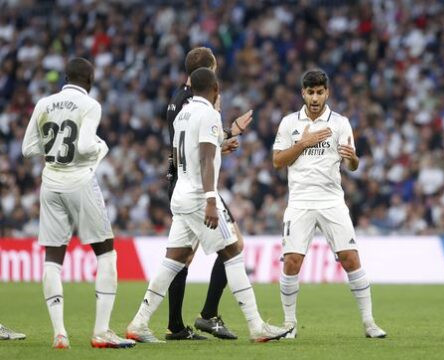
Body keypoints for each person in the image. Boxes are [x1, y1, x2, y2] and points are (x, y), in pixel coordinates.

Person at [126, 67, 292, 343]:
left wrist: (222, 141)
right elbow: (204, 158)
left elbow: (192, 153)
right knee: (234, 251)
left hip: (180, 193)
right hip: (197, 197)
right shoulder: (209, 114)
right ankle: (257, 326)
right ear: (215, 89)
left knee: (173, 260)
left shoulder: (183, 114)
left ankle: (139, 322)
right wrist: (211, 200)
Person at [21, 57, 135, 349]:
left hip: (50, 182)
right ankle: (101, 331)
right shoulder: (90, 105)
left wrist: (53, 151)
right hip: (79, 181)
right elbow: (84, 146)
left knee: (53, 259)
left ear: (66, 77)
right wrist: (101, 149)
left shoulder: (44, 103)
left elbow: (27, 148)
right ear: (90, 79)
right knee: (106, 254)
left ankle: (59, 333)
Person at [272, 69, 386, 339]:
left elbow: (352, 164)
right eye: (310, 92)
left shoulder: (340, 123)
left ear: (327, 93)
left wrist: (354, 160)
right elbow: (277, 161)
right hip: (299, 201)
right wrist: (304, 143)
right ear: (303, 93)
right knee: (291, 262)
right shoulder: (289, 123)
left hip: (332, 200)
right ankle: (289, 324)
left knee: (350, 258)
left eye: (319, 92)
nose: (314, 97)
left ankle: (369, 323)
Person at [164, 46, 251, 341]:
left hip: (180, 183)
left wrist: (223, 139)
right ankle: (209, 315)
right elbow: (201, 149)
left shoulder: (177, 101)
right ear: (208, 71)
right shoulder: (198, 102)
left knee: (181, 257)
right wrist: (228, 131)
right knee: (234, 245)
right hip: (198, 186)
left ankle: (175, 325)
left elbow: (188, 146)